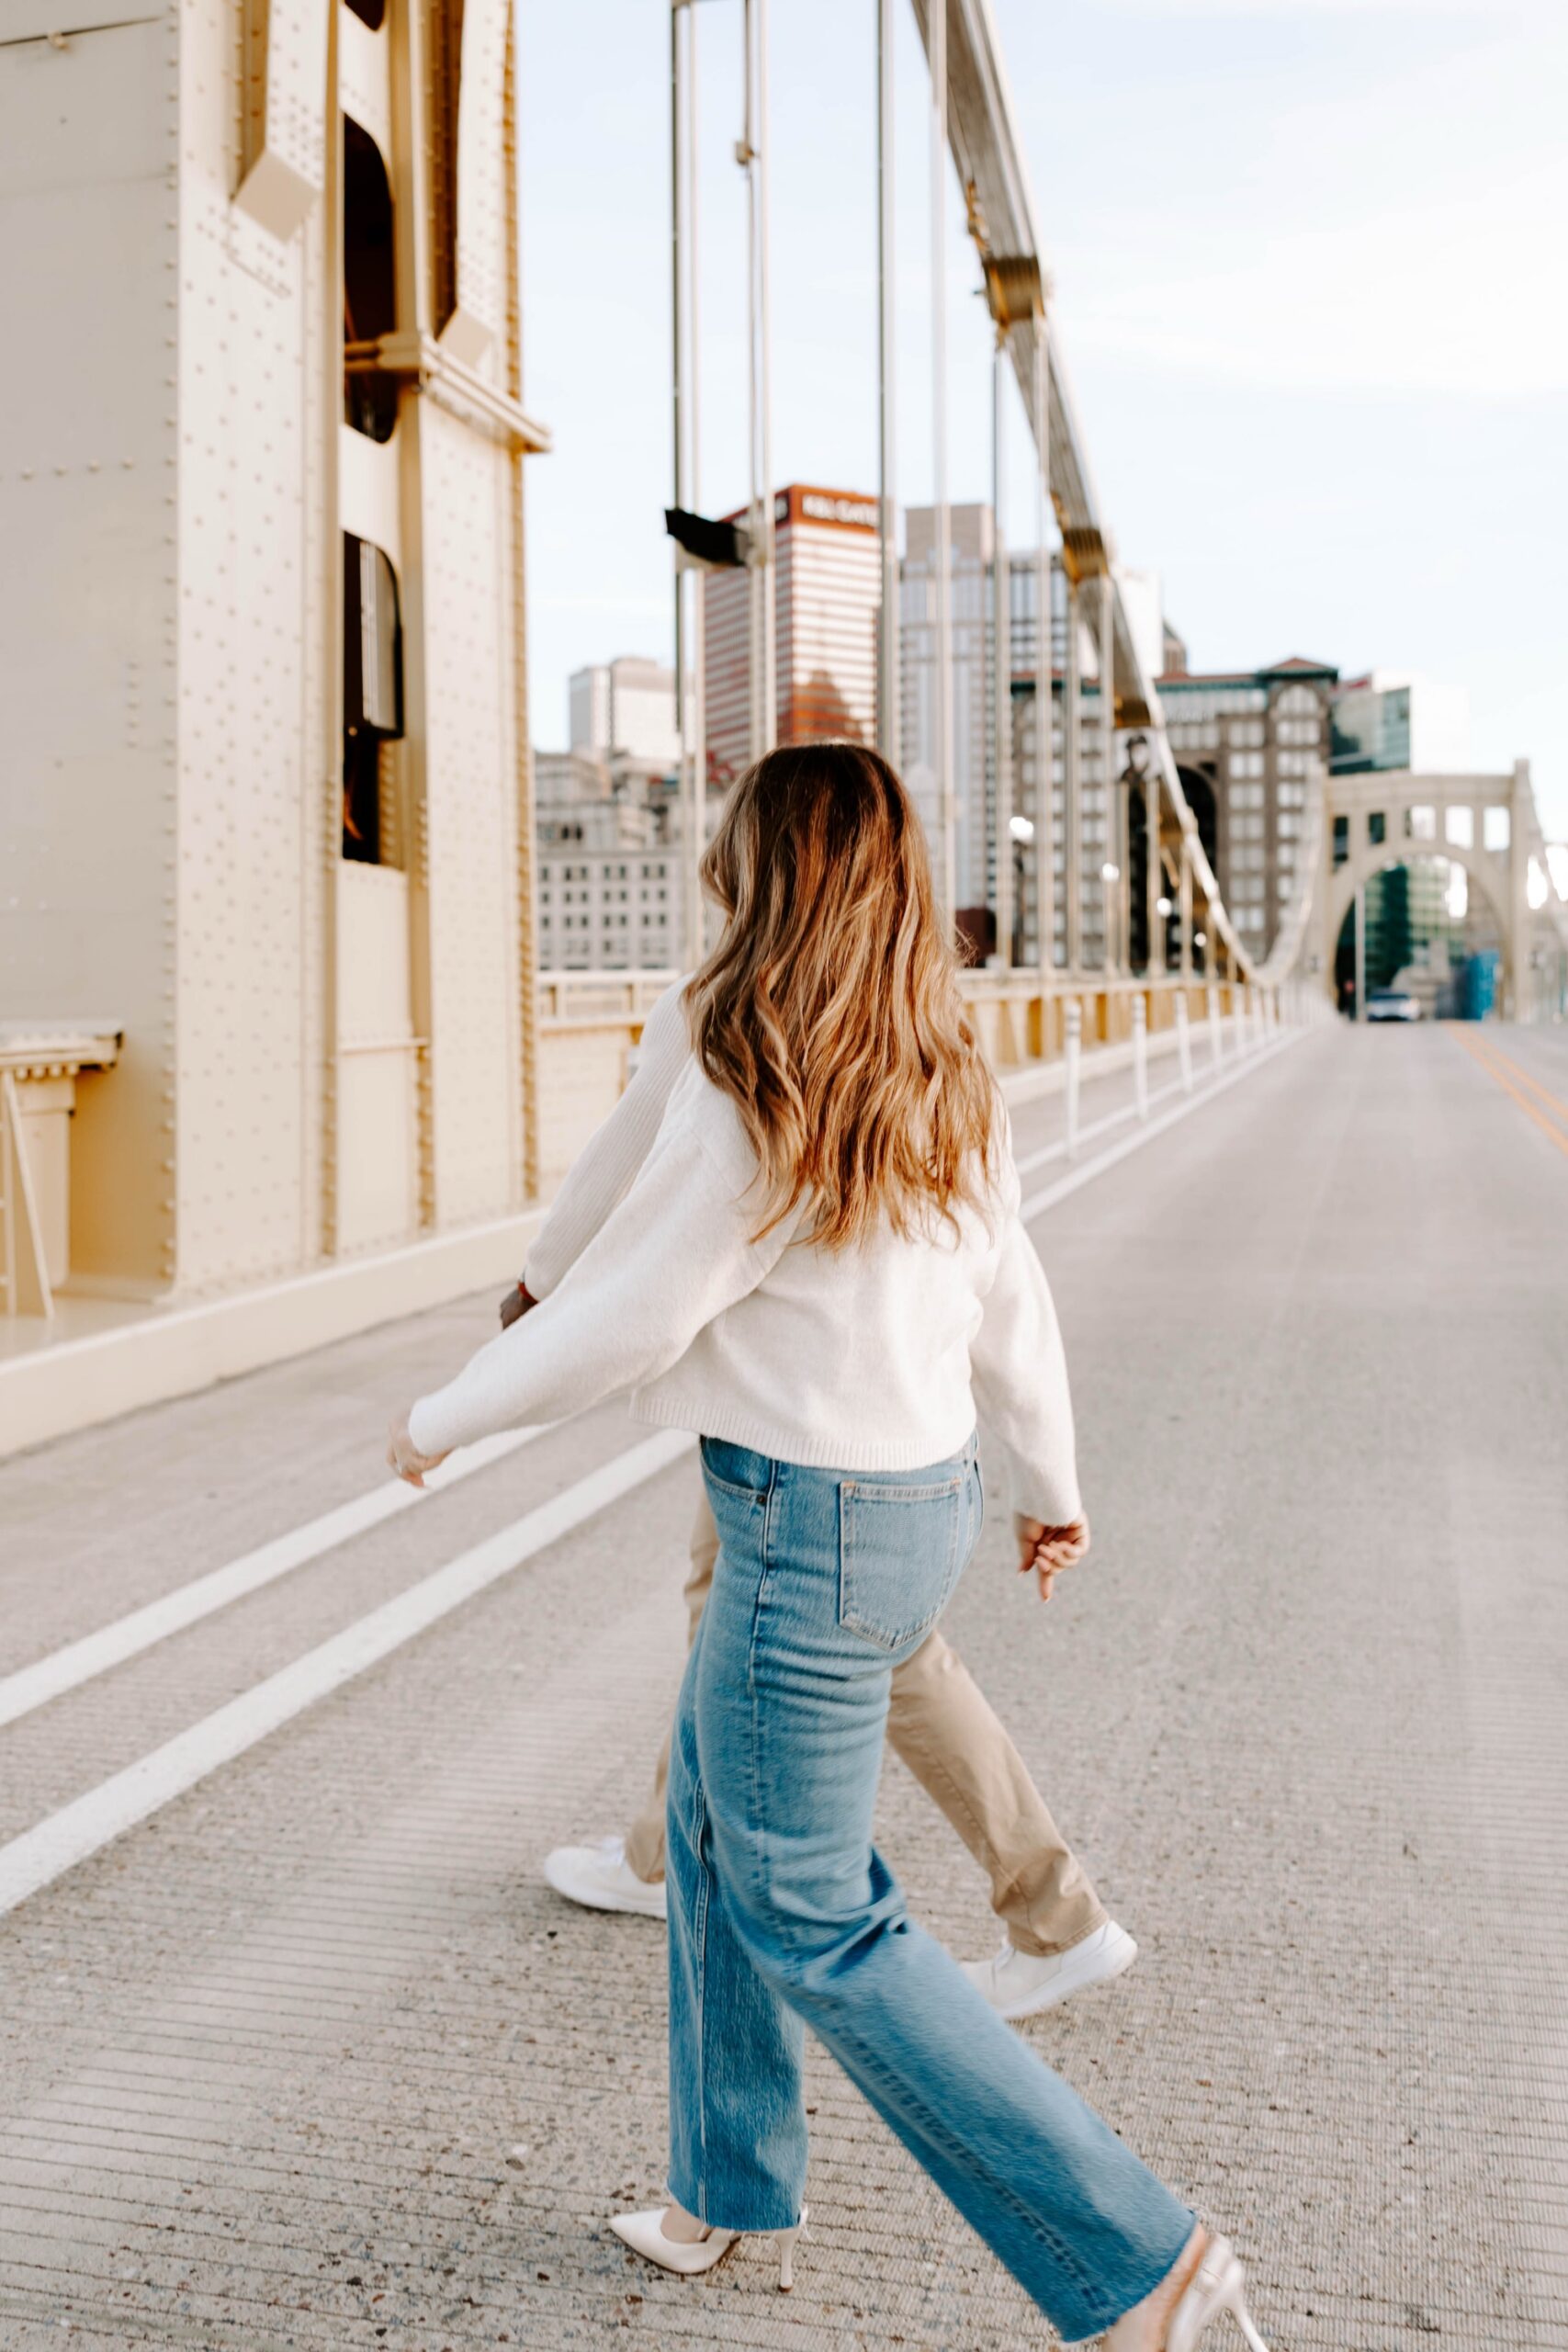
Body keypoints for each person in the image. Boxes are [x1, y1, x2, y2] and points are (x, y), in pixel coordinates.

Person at [389, 745, 1270, 2349]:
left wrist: (453, 1412)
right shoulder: (937, 1060)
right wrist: (1046, 1484)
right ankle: (725, 2189)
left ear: (756, 869)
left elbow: (641, 1308)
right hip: (914, 1505)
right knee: (722, 1843)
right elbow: (1012, 1293)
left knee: (817, 1915)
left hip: (812, 1533)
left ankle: (1141, 2262)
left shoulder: (751, 1068)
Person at [497, 991, 1134, 2020]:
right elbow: (1007, 1274)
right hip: (913, 1432)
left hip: (786, 1423)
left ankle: (1058, 1916)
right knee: (730, 1603)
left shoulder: (719, 1002)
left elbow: (628, 1160)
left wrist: (538, 1289)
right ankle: (662, 1851)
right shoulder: (932, 1017)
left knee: (873, 1649)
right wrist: (1048, 1482)